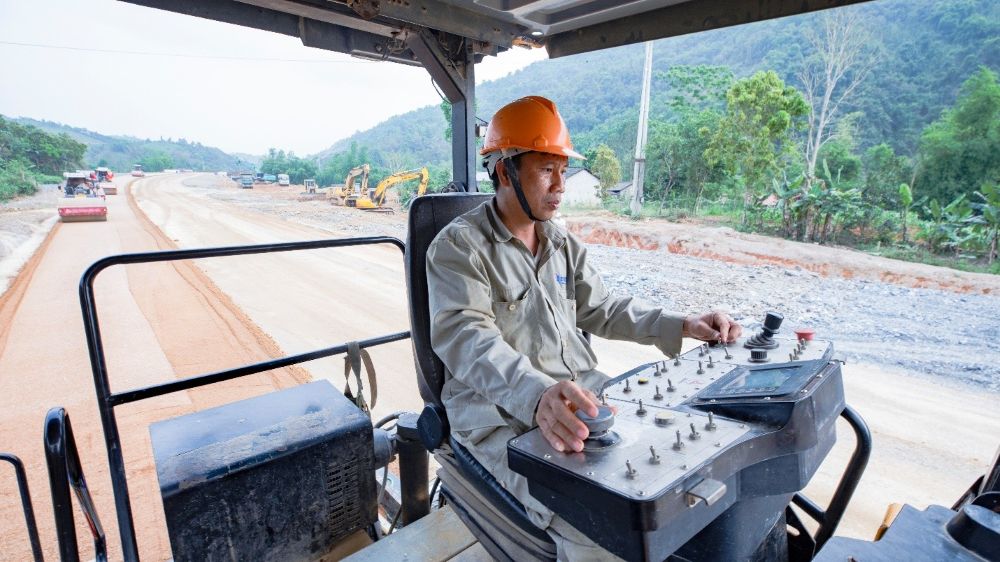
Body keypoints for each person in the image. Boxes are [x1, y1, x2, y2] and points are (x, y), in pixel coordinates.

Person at [426, 95, 741, 560]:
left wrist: (683, 324)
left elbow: (604, 308)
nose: (560, 186)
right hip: (498, 417)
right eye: (545, 170)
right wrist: (537, 395)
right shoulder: (459, 248)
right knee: (597, 527)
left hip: (578, 400)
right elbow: (468, 338)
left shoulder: (560, 242)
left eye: (563, 170)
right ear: (505, 171)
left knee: (682, 479)